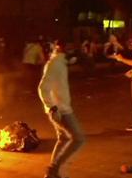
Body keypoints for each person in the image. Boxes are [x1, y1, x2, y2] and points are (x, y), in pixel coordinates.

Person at [38, 39, 85, 178]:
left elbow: (70, 61)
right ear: (62, 49)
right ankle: (53, 169)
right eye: (70, 48)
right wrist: (52, 108)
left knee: (63, 139)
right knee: (78, 138)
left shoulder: (61, 61)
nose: (72, 51)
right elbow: (42, 88)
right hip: (60, 110)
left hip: (59, 107)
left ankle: (53, 174)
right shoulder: (56, 64)